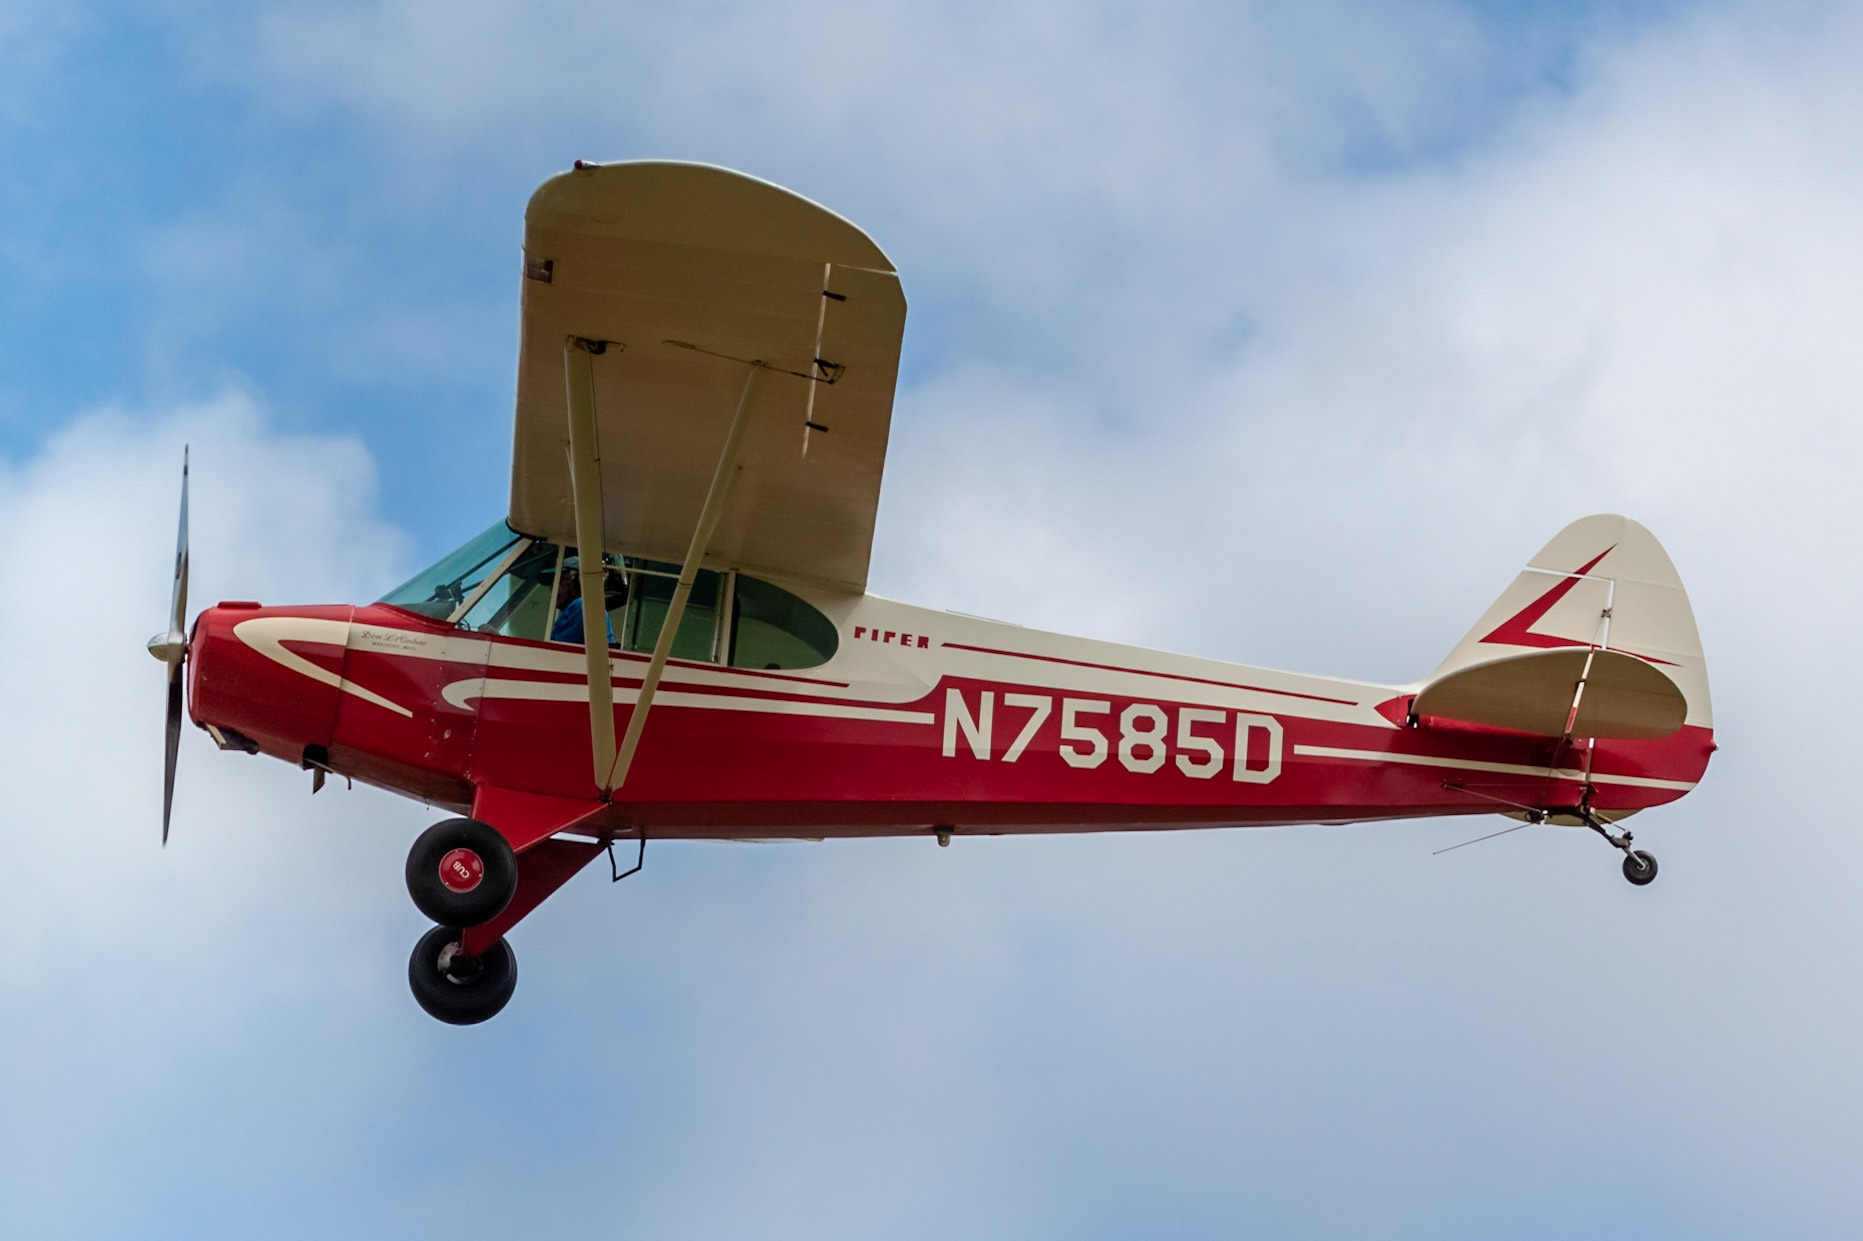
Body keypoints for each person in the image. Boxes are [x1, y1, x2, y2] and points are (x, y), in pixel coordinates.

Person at [550, 560, 620, 644]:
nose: (551, 588)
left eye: (560, 580)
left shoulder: (584, 607)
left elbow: (558, 650)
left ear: (578, 580)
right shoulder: (575, 610)